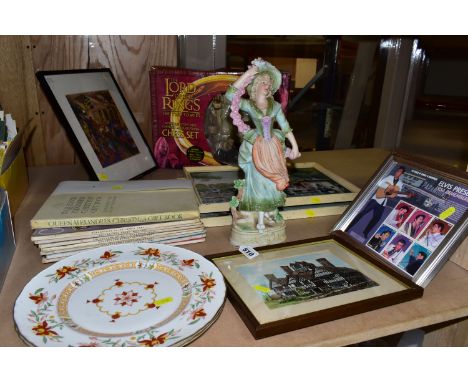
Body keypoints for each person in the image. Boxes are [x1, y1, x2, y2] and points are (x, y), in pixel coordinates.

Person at [225, 58, 300, 231]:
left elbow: (285, 127)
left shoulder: (275, 106)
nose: (267, 85)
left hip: (273, 146)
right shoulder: (249, 105)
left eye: (269, 82)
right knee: (258, 180)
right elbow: (229, 96)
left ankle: (268, 211)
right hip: (256, 146)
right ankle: (258, 214)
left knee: (272, 180)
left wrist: (295, 146)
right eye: (264, 81)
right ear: (256, 84)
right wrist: (249, 73)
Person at [348, 166, 406, 239]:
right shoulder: (389, 177)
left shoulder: (400, 183)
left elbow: (398, 192)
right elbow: (380, 183)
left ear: (402, 174)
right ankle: (348, 226)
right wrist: (389, 186)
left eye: (399, 171)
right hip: (376, 199)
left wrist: (406, 195)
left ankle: (366, 231)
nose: (397, 172)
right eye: (397, 171)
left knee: (376, 219)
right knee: (362, 213)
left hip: (383, 203)